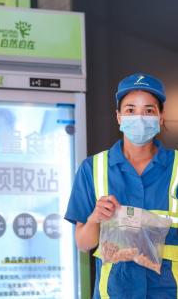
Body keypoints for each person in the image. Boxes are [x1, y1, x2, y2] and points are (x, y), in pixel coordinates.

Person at [64, 73, 178, 299]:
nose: (139, 117)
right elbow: (83, 244)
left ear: (161, 116)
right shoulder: (92, 168)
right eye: (130, 110)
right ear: (118, 117)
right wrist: (95, 218)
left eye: (148, 110)